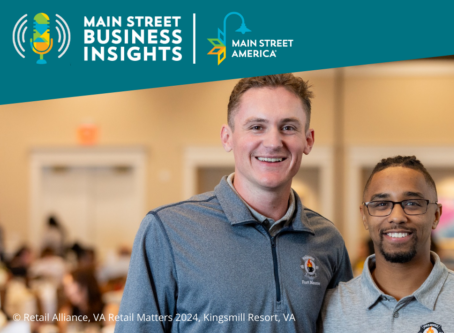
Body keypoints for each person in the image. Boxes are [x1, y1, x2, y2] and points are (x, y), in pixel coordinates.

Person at [116, 74, 353, 332]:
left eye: (288, 127)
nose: (273, 142)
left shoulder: (328, 240)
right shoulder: (167, 231)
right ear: (227, 138)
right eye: (256, 127)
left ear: (308, 140)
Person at [320, 156, 454, 333]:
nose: (397, 217)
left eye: (412, 203)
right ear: (365, 216)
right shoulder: (328, 307)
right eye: (381, 204)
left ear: (436, 216)